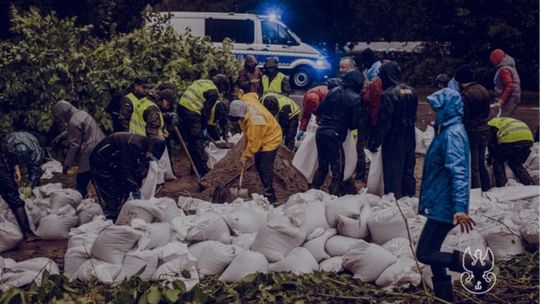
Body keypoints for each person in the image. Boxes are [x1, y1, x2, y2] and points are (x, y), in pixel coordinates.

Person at [416, 88, 478, 302]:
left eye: (436, 109)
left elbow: (459, 172)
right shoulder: (448, 130)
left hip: (446, 205)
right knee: (433, 251)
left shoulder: (452, 135)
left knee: (424, 253)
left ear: (447, 109)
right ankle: (445, 297)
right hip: (441, 201)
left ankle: (474, 264)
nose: (432, 113)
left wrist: (459, 208)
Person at [90, 133, 165, 221]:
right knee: (109, 190)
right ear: (151, 150)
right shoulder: (133, 145)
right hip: (101, 161)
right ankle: (111, 217)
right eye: (152, 156)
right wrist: (135, 189)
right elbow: (125, 170)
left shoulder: (143, 147)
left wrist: (136, 185)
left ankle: (118, 212)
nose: (151, 158)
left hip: (114, 161)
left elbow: (135, 169)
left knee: (121, 189)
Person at [311, 70, 363, 195]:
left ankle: (313, 191)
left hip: (321, 132)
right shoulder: (355, 98)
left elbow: (319, 110)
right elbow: (353, 124)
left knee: (322, 166)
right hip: (335, 135)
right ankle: (333, 196)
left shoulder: (332, 91)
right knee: (337, 169)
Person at [370, 62, 417, 199]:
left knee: (393, 168)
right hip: (410, 132)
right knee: (408, 167)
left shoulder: (388, 94)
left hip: (394, 136)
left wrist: (376, 141)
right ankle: (408, 195)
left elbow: (386, 121)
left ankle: (394, 198)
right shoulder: (411, 91)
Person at [228, 96, 282, 203]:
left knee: (264, 167)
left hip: (271, 139)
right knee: (259, 164)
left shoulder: (256, 121)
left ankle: (270, 196)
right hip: (263, 132)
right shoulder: (245, 102)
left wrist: (245, 156)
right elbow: (251, 95)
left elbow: (254, 145)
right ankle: (268, 191)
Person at [177, 74, 229, 175]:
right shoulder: (214, 92)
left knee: (192, 141)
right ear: (221, 85)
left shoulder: (204, 82)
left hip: (182, 108)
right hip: (192, 111)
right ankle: (203, 170)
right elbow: (206, 112)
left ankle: (194, 167)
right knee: (197, 140)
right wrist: (203, 127)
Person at [53, 100, 105, 198]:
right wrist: (61, 136)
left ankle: (84, 204)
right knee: (98, 181)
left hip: (89, 153)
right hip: (100, 147)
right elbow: (78, 130)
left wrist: (67, 164)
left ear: (64, 114)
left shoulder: (73, 121)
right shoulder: (82, 114)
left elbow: (74, 145)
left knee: (81, 183)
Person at [455, 65, 491, 191]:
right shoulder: (483, 90)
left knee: (472, 165)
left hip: (472, 132)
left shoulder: (465, 95)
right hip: (484, 129)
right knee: (481, 163)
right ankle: (487, 188)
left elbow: (463, 116)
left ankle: (475, 191)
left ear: (460, 81)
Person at [0, 138, 37, 240]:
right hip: (4, 175)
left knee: (15, 202)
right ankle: (28, 233)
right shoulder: (4, 142)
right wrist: (17, 170)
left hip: (3, 174)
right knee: (16, 202)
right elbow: (10, 153)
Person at [488, 117, 534, 187]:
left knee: (497, 161)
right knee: (516, 163)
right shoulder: (502, 121)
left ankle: (501, 187)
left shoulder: (490, 126)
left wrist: (490, 159)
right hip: (528, 139)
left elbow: (493, 146)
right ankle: (529, 184)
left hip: (511, 140)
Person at [6, 131, 43, 197]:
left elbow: (35, 168)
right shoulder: (7, 148)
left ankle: (34, 184)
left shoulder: (35, 151)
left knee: (35, 172)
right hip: (13, 141)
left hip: (30, 140)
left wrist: (30, 186)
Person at [490, 49, 521, 117]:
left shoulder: (503, 70)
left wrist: (501, 101)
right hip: (513, 97)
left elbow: (509, 86)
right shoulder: (509, 67)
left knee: (503, 118)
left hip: (509, 99)